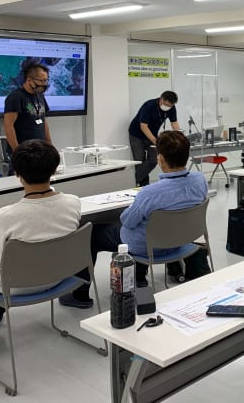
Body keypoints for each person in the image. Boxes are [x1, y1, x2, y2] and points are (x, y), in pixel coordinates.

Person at [59, 131, 208, 308]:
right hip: (181, 241)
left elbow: (128, 221)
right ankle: (139, 277)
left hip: (147, 247)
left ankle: (80, 295)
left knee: (91, 235)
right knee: (142, 226)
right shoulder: (200, 180)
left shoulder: (150, 193)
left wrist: (130, 209)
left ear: (160, 159)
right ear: (187, 156)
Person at [0, 140, 80, 333]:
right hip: (59, 276)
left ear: (17, 174)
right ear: (55, 170)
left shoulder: (3, 217)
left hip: (14, 285)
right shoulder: (73, 203)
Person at [3, 63, 53, 174]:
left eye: (46, 81)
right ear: (29, 80)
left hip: (40, 150)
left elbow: (43, 120)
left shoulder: (40, 96)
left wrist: (49, 145)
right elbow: (8, 125)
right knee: (20, 181)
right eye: (41, 81)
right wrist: (17, 151)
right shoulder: (15, 97)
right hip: (24, 152)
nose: (44, 84)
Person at [128, 90, 181, 186]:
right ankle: (143, 186)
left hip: (152, 133)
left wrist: (179, 138)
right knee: (139, 160)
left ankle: (131, 182)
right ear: (161, 99)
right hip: (136, 134)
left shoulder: (171, 108)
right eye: (166, 105)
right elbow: (143, 126)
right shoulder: (149, 106)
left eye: (170, 106)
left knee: (154, 159)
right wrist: (156, 141)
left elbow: (174, 123)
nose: (167, 108)